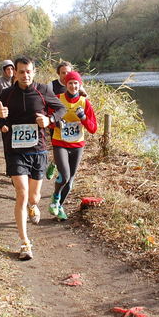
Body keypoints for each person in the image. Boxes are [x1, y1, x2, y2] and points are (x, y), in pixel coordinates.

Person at [0, 57, 65, 260]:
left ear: (34, 72)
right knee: (22, 194)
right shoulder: (7, 94)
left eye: (29, 71)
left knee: (34, 197)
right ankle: (25, 243)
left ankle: (34, 207)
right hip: (15, 152)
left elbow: (61, 109)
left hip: (38, 151)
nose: (25, 75)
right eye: (21, 71)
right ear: (14, 72)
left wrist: (49, 119)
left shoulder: (43, 91)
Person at [49, 70, 97, 220]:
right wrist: (57, 122)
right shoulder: (58, 99)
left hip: (77, 145)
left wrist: (82, 117)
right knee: (64, 177)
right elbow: (48, 120)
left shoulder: (84, 102)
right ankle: (55, 198)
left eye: (76, 83)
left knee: (69, 182)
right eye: (70, 83)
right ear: (66, 84)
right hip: (60, 142)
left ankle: (59, 207)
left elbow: (93, 128)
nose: (73, 86)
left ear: (79, 84)